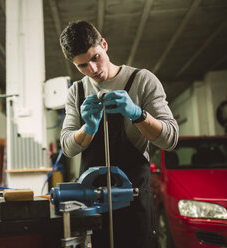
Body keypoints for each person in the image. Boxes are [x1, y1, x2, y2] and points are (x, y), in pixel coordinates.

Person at [59, 20, 179, 248]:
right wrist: (88, 128)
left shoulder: (143, 81)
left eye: (95, 58)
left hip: (134, 201)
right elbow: (67, 146)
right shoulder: (77, 91)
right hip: (92, 204)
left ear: (104, 44)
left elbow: (171, 139)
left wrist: (138, 115)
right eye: (82, 66)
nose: (92, 70)